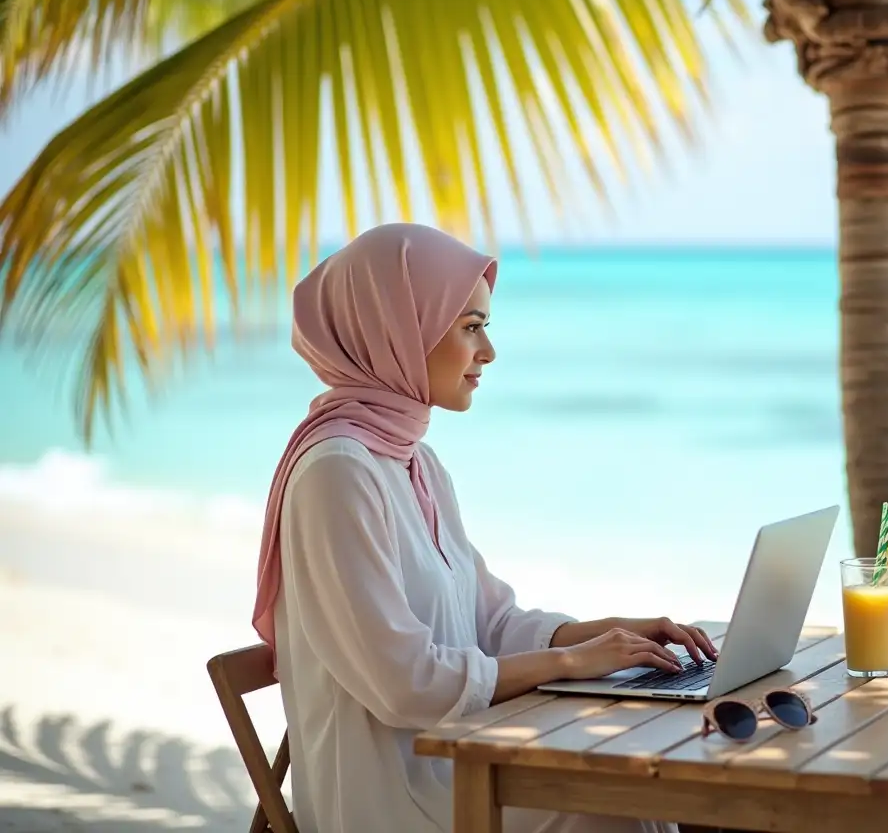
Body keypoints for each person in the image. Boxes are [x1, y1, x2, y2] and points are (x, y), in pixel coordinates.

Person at [252, 223, 718, 833]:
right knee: (623, 803)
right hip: (391, 797)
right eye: (471, 327)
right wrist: (570, 664)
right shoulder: (336, 471)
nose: (488, 353)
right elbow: (404, 683)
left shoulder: (411, 460)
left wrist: (612, 635)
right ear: (399, 329)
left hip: (458, 759)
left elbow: (492, 623)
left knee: (650, 787)